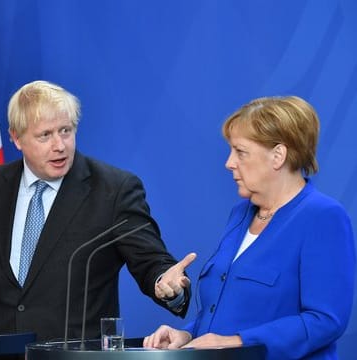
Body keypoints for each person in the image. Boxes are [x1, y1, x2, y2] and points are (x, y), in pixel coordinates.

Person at [0, 80, 196, 349]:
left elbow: (151, 262)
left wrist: (168, 284)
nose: (59, 145)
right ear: (16, 137)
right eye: (45, 135)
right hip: (0, 353)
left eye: (66, 131)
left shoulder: (113, 190)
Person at [143, 96, 355, 359]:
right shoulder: (240, 214)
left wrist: (238, 342)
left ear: (278, 155)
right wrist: (187, 336)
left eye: (240, 152)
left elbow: (325, 320)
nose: (229, 162)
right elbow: (224, 312)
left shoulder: (323, 217)